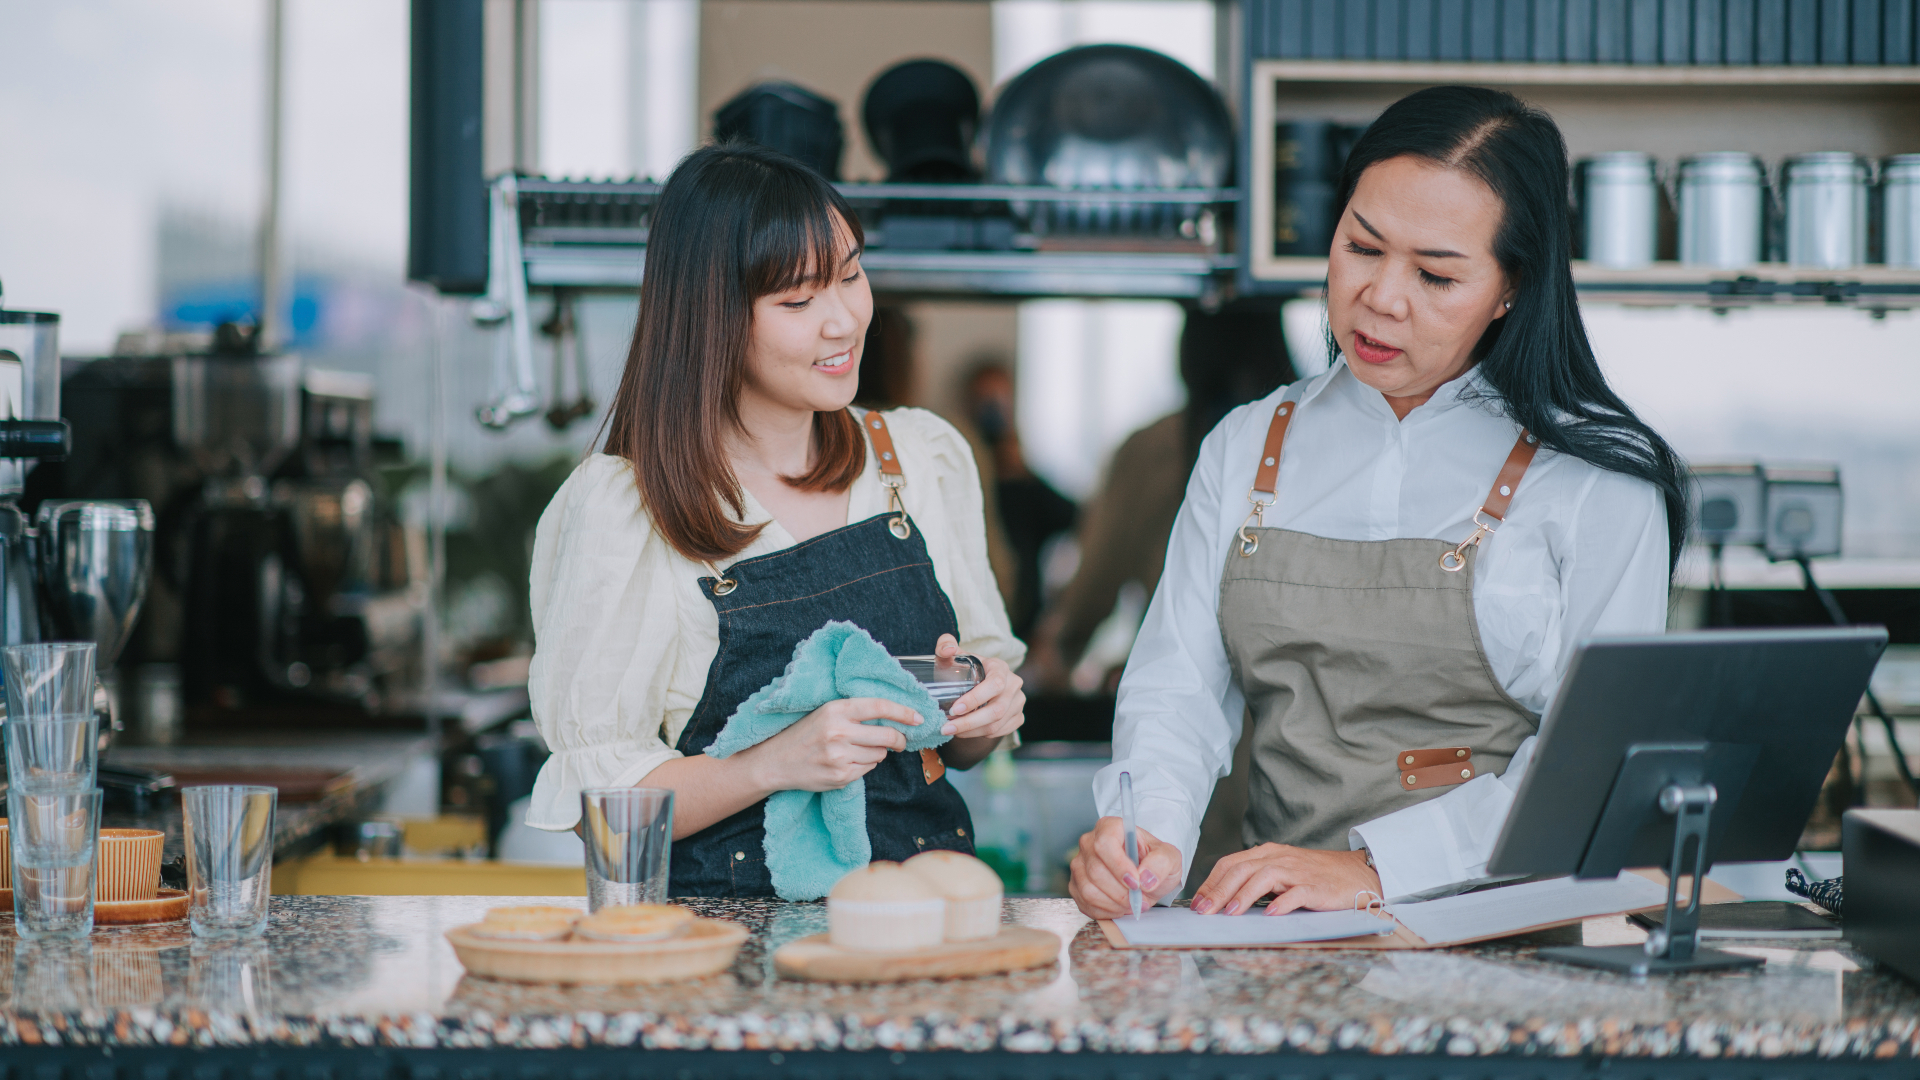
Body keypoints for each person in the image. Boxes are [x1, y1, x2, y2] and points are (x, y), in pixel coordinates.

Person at [1068, 85, 1688, 920]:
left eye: (1436, 274)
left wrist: (1372, 871)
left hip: (1508, 936)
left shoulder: (1597, 479)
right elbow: (1175, 690)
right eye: (1362, 248)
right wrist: (1144, 838)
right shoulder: (1247, 444)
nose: (1383, 298)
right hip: (1277, 937)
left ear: (1512, 288)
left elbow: (1598, 762)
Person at [524, 143, 1026, 896]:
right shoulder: (625, 511)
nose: (844, 321)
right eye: (798, 301)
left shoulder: (916, 459)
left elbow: (965, 743)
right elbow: (605, 809)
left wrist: (985, 705)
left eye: (851, 275)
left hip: (924, 934)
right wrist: (773, 763)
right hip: (726, 960)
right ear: (713, 319)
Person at [1033, 303, 1298, 689]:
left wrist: (1056, 658)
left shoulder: (1155, 448)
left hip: (1182, 693)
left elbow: (1094, 586)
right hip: (1294, 702)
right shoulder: (1318, 442)